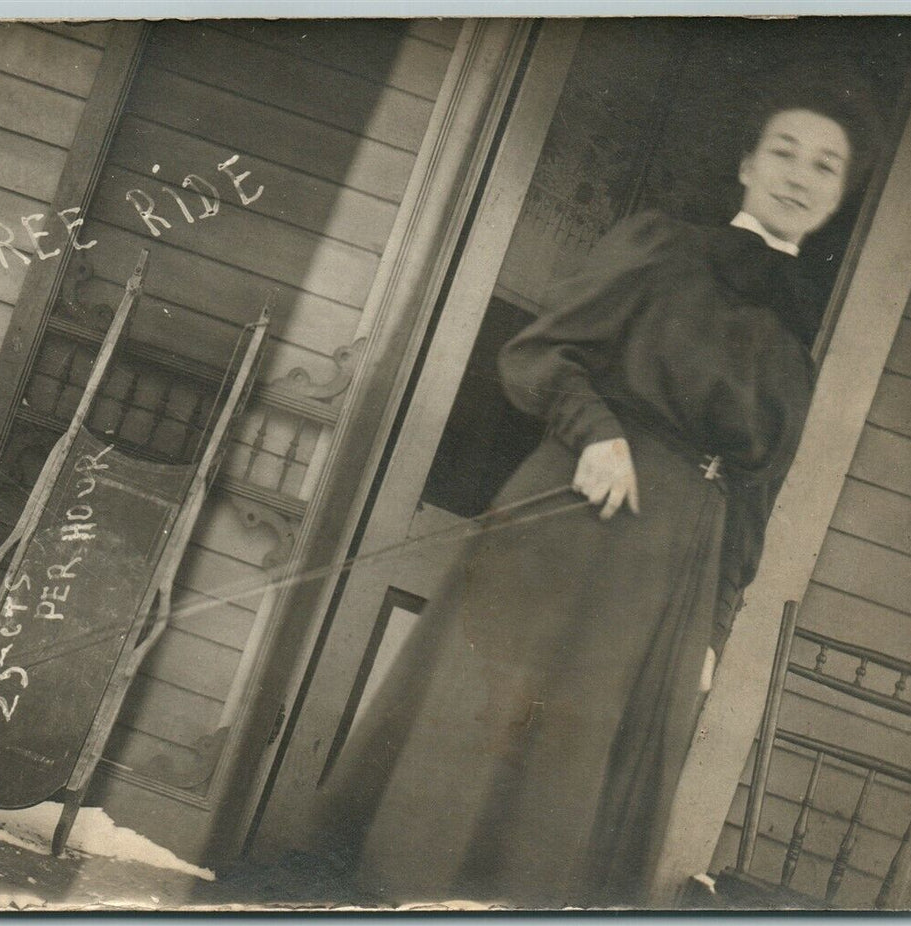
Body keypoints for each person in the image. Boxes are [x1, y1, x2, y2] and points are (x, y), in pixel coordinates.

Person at [320, 88, 879, 907]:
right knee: (485, 735)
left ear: (837, 197)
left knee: (574, 782)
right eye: (785, 151)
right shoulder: (661, 250)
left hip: (672, 578)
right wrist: (595, 434)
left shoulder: (795, 349)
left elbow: (755, 501)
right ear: (747, 165)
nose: (800, 176)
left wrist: (714, 627)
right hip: (576, 527)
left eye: (825, 166)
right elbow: (537, 355)